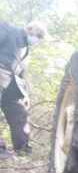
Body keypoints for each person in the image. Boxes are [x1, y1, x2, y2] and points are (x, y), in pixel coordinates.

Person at [0, 20, 47, 156]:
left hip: (11, 80)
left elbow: (20, 70)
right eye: (37, 35)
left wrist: (25, 93)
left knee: (19, 111)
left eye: (40, 38)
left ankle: (22, 148)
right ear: (29, 29)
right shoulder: (8, 29)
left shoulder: (24, 47)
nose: (37, 39)